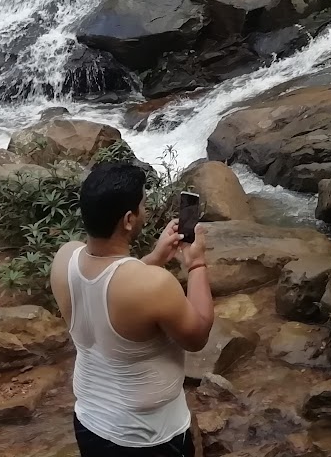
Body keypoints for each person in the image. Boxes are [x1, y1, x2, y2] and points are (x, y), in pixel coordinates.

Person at [50, 163, 216, 457]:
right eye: (143, 205)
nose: (145, 211)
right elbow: (198, 335)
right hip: (149, 439)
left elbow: (109, 285)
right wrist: (197, 264)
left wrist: (154, 257)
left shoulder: (65, 259)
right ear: (128, 220)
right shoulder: (153, 284)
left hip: (89, 424)